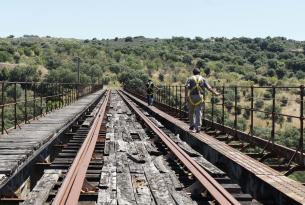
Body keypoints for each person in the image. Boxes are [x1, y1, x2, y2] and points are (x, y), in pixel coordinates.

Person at [185, 68, 220, 133]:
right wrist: (215, 93)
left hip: (191, 97)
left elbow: (186, 87)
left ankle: (191, 125)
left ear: (193, 73)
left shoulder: (190, 78)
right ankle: (198, 127)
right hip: (200, 97)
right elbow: (209, 88)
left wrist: (186, 97)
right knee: (198, 112)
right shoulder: (202, 79)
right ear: (199, 73)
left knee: (191, 112)